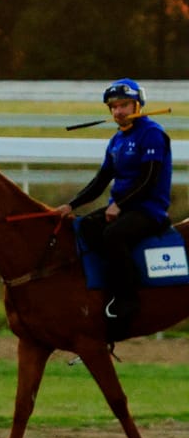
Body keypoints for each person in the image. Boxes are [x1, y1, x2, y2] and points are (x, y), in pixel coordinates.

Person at [54, 77, 173, 335]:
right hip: (123, 208)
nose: (118, 111)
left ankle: (128, 300)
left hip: (148, 210)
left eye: (124, 105)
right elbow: (101, 180)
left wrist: (119, 204)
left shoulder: (151, 134)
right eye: (114, 107)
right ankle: (111, 284)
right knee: (84, 227)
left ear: (137, 105)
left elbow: (149, 179)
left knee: (113, 235)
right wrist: (70, 204)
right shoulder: (116, 140)